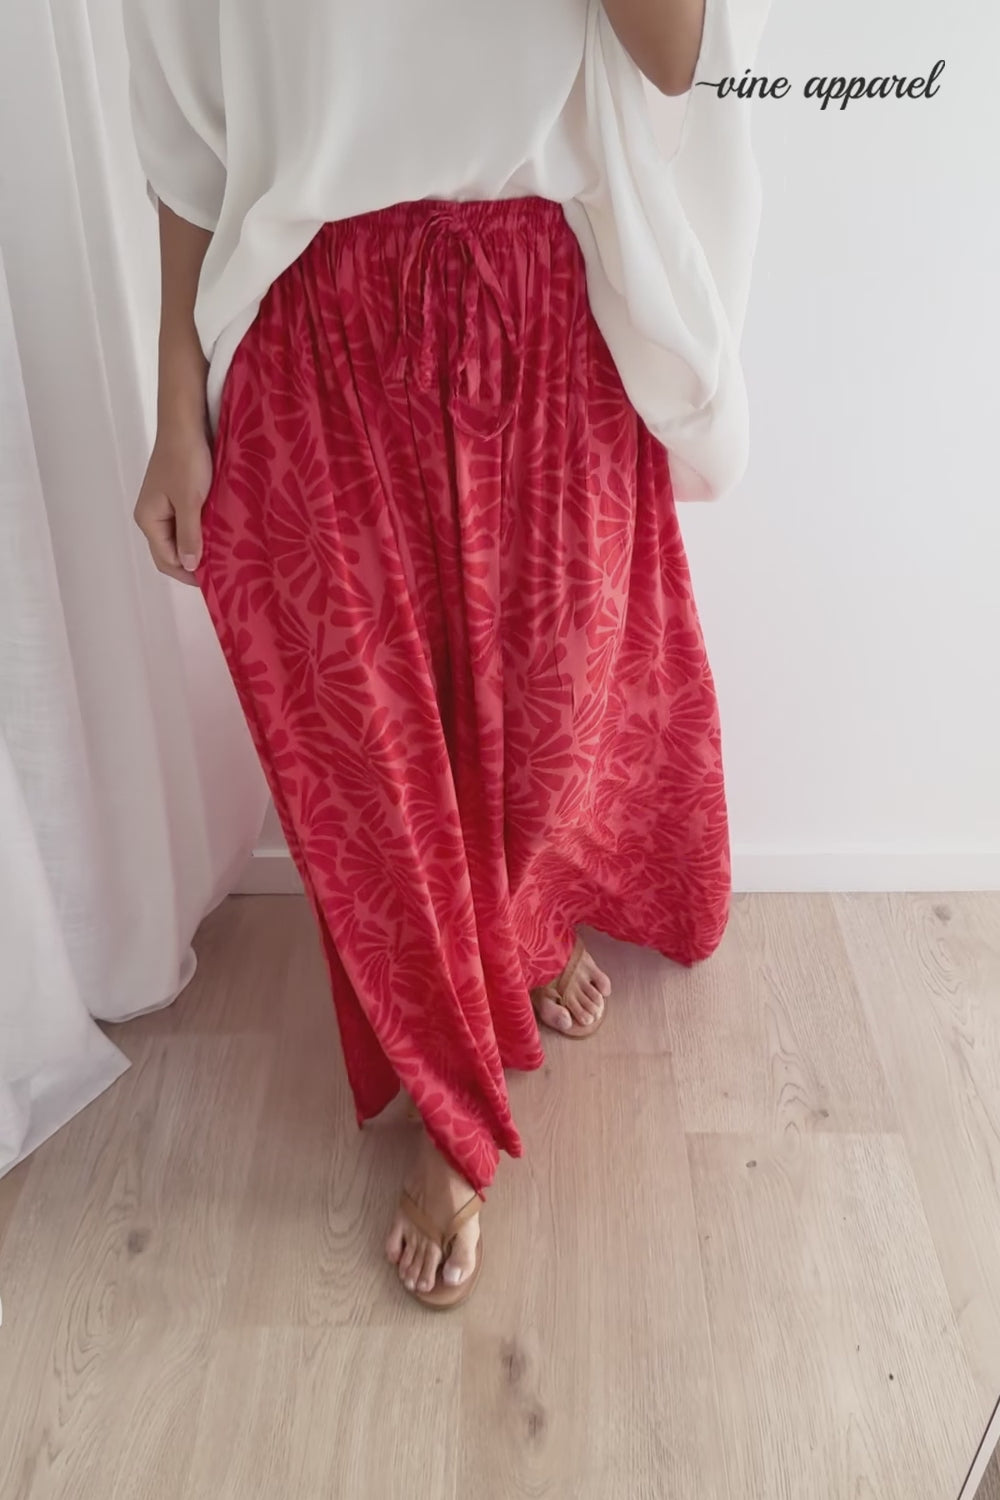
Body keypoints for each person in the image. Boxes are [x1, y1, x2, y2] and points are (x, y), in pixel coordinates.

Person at [125, 0, 767, 1309]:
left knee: (553, 719)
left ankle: (520, 926)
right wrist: (173, 410)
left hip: (539, 295)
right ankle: (449, 1098)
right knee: (376, 765)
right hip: (314, 316)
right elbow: (188, 138)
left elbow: (678, 58)